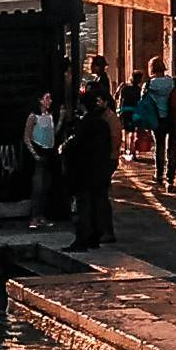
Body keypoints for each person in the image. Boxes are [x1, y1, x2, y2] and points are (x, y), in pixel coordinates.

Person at [64, 93, 118, 251]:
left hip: (85, 172)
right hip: (100, 170)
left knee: (84, 206)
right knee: (97, 203)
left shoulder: (85, 125)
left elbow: (76, 148)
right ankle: (95, 237)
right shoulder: (103, 124)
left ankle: (83, 239)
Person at [24, 91, 59, 231]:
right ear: (40, 100)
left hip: (48, 152)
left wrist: (61, 119)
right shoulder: (33, 116)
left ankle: (41, 215)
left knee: (46, 186)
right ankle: (34, 217)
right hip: (38, 152)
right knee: (37, 187)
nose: (49, 101)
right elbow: (26, 136)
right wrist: (34, 154)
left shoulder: (49, 116)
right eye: (47, 98)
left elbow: (51, 134)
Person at [142, 62, 176, 189]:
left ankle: (159, 175)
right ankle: (170, 179)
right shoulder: (173, 82)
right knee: (172, 149)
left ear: (151, 69)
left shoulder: (148, 85)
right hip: (174, 119)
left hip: (158, 120)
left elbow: (144, 103)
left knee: (159, 147)